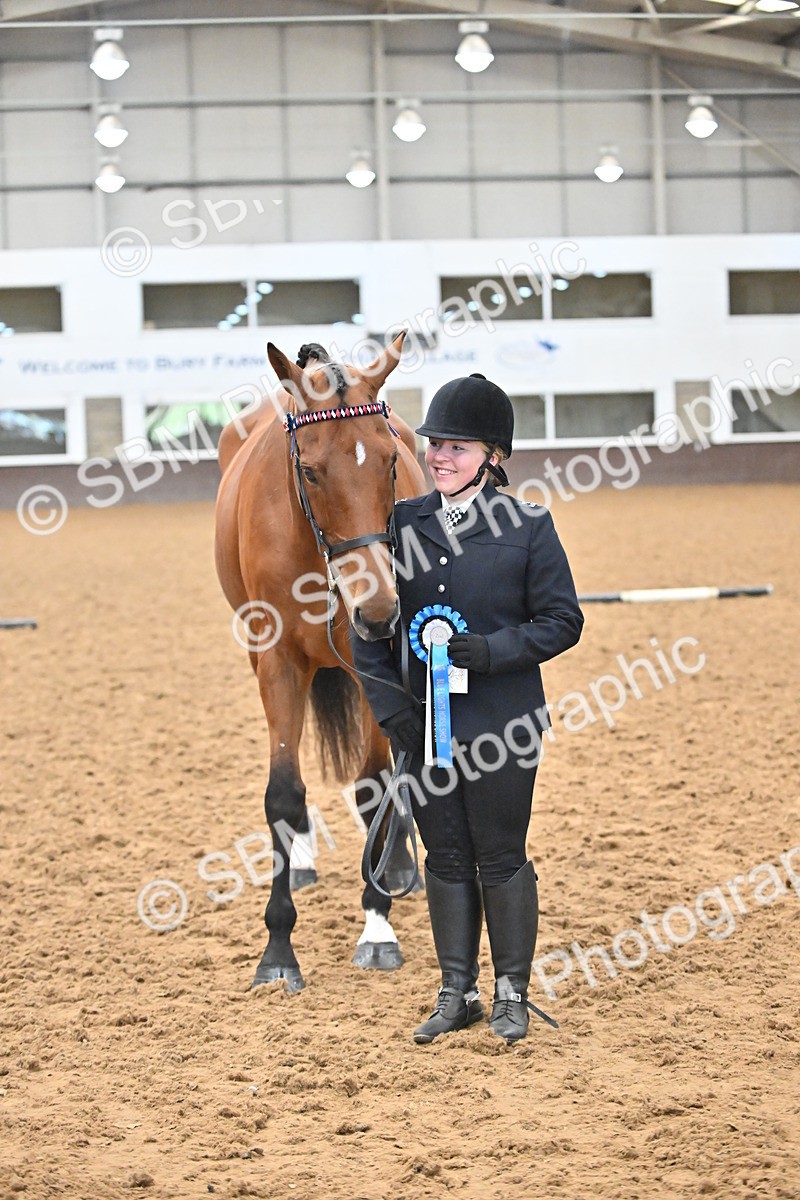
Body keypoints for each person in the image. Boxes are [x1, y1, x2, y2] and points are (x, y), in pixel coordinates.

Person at [350, 373, 584, 1044]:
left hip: (503, 723)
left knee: (500, 854)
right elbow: (368, 625)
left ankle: (512, 993)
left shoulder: (529, 527)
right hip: (423, 728)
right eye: (433, 445)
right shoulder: (402, 525)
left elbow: (563, 622)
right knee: (445, 857)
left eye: (455, 447)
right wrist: (391, 710)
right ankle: (458, 993)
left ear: (493, 456)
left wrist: (489, 651)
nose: (438, 457)